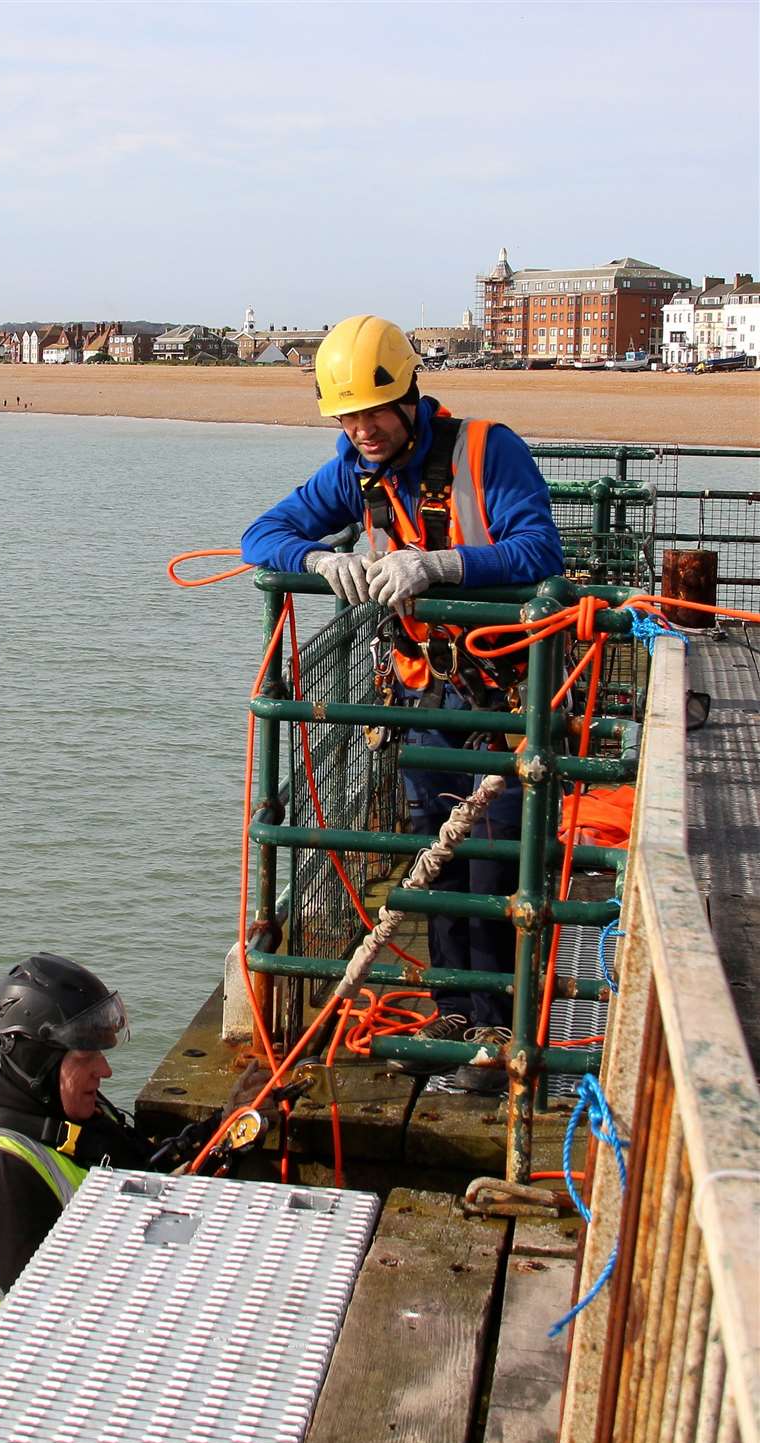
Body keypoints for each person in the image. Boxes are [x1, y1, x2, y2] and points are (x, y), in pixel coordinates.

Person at [241, 315, 564, 1085]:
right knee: (438, 851)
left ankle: (501, 1026)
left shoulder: (490, 448)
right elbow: (263, 533)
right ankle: (455, 1004)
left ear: (409, 399)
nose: (361, 430)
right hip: (425, 691)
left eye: (372, 414)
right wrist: (315, 557)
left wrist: (442, 565)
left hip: (505, 696)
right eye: (346, 417)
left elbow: (540, 550)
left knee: (498, 859)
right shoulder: (354, 471)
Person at [0, 953, 263, 1305]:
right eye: (85, 1058)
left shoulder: (73, 1116)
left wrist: (226, 1125)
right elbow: (46, 1309)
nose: (105, 1071)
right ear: (39, 1065)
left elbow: (148, 1164)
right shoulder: (1, 1173)